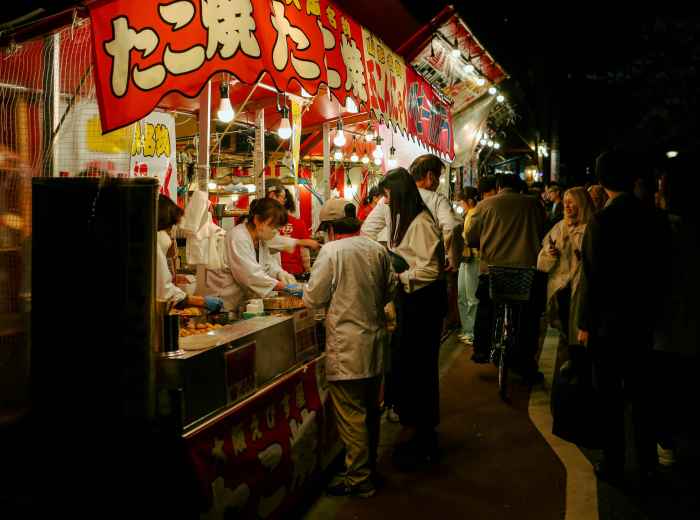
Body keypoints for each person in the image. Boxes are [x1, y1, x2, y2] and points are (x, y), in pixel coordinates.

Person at [576, 150, 667, 486]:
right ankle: (647, 464)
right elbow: (662, 272)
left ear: (602, 181)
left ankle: (614, 464)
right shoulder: (653, 217)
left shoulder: (603, 220)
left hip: (608, 325)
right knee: (643, 396)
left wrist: (585, 322)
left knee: (609, 398)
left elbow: (593, 276)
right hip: (642, 320)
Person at [303, 199, 397, 498]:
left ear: (330, 229)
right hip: (374, 342)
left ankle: (359, 479)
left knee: (352, 414)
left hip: (346, 345)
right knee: (370, 411)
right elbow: (390, 289)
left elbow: (313, 297)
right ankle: (368, 469)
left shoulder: (331, 252)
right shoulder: (377, 249)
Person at [379, 167, 445, 471]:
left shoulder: (421, 223)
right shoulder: (406, 221)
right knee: (411, 367)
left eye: (389, 195)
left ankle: (423, 436)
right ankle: (417, 431)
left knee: (419, 368)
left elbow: (431, 269)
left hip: (423, 305)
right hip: (412, 303)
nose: (386, 201)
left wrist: (402, 276)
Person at [465, 174, 546, 383]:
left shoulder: (485, 205)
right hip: (527, 271)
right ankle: (526, 362)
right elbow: (543, 231)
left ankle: (481, 350)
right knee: (529, 316)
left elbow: (471, 238)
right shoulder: (534, 205)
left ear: (499, 186)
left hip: (493, 270)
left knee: (486, 305)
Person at [361, 154, 461, 269]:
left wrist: (382, 261)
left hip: (398, 271)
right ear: (430, 176)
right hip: (428, 273)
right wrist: (453, 260)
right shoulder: (437, 200)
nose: (438, 183)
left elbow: (367, 232)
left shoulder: (390, 197)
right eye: (438, 177)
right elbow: (452, 227)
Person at [200, 198, 299, 312]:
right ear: (257, 220)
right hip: (223, 303)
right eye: (273, 226)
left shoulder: (260, 239)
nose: (275, 231)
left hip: (241, 305)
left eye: (278, 228)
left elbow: (267, 265)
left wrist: (280, 273)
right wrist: (284, 287)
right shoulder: (238, 237)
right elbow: (250, 275)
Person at [537, 187, 595, 345]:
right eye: (565, 203)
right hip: (562, 288)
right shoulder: (560, 227)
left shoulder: (592, 227)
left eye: (571, 203)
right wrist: (550, 252)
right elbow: (542, 259)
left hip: (584, 288)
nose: (567, 207)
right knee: (566, 327)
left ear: (581, 204)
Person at [156, 194, 223, 311]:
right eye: (169, 227)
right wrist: (200, 301)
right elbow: (164, 292)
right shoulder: (154, 243)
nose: (170, 232)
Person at [267, 185, 312, 279]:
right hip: (294, 272)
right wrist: (308, 271)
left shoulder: (266, 223)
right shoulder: (298, 223)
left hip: (271, 273)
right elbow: (305, 254)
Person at [456, 187, 480, 344]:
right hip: (465, 258)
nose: (460, 204)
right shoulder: (467, 214)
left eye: (461, 201)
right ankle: (467, 329)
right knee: (462, 295)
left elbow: (472, 237)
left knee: (471, 296)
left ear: (470, 201)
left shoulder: (476, 213)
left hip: (474, 258)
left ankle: (472, 332)